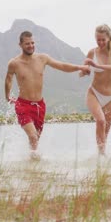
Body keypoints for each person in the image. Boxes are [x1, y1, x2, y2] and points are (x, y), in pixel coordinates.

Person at [5, 31, 90, 160]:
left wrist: (80, 67)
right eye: (27, 44)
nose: (31, 46)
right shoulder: (14, 63)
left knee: (35, 139)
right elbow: (8, 79)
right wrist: (7, 96)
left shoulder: (42, 58)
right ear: (20, 45)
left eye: (32, 43)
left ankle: (31, 166)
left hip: (40, 106)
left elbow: (61, 66)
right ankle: (35, 161)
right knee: (33, 136)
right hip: (23, 105)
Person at [81, 24, 111, 155]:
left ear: (109, 38)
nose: (100, 43)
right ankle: (102, 156)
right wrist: (85, 71)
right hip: (94, 93)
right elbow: (82, 72)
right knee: (100, 121)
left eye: (103, 40)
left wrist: (97, 65)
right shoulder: (92, 52)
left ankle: (101, 159)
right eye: (97, 39)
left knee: (105, 132)